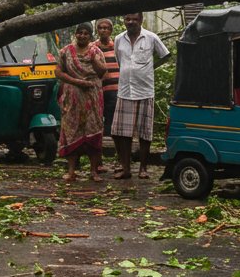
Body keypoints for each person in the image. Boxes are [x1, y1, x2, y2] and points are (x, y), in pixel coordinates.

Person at [111, 12, 170, 179]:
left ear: (141, 20)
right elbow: (120, 61)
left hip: (145, 91)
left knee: (145, 132)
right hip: (125, 91)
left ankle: (143, 168)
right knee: (123, 133)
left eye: (135, 19)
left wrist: (151, 68)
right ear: (124, 20)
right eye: (127, 19)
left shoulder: (151, 37)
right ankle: (126, 168)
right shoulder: (119, 39)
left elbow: (165, 55)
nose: (131, 22)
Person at [55, 22, 107, 182]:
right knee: (71, 131)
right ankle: (71, 171)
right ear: (75, 34)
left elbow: (102, 72)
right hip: (72, 98)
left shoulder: (96, 51)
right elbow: (58, 72)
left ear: (90, 36)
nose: (82, 36)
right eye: (80, 33)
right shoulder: (65, 51)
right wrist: (77, 81)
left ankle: (94, 171)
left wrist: (94, 60)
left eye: (86, 33)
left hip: (92, 97)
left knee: (94, 130)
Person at [95, 18, 120, 159]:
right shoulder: (93, 47)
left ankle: (109, 148)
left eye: (106, 28)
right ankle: (97, 147)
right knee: (98, 116)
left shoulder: (117, 46)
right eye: (100, 28)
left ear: (111, 30)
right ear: (97, 30)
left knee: (111, 117)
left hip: (114, 87)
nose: (103, 30)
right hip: (98, 88)